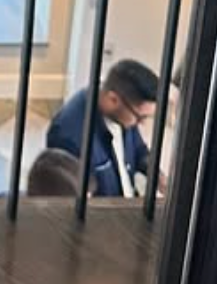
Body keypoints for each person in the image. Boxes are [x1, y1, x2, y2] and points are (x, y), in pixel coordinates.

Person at [46, 59, 159, 198]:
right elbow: (73, 203)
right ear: (113, 99)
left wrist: (160, 178)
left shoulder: (124, 112)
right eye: (140, 117)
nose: (142, 124)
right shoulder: (68, 135)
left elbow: (139, 151)